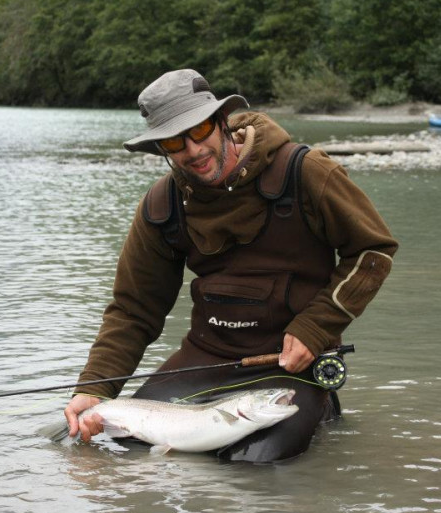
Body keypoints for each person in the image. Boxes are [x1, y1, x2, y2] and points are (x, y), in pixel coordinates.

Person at [64, 69, 398, 462]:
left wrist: (316, 328)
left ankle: (320, 406)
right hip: (205, 356)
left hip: (288, 365)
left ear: (222, 121)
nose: (192, 149)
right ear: (161, 149)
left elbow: (373, 251)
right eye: (174, 140)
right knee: (125, 446)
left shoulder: (306, 172)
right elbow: (134, 309)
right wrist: (96, 387)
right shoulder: (161, 205)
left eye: (200, 129)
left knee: (250, 463)